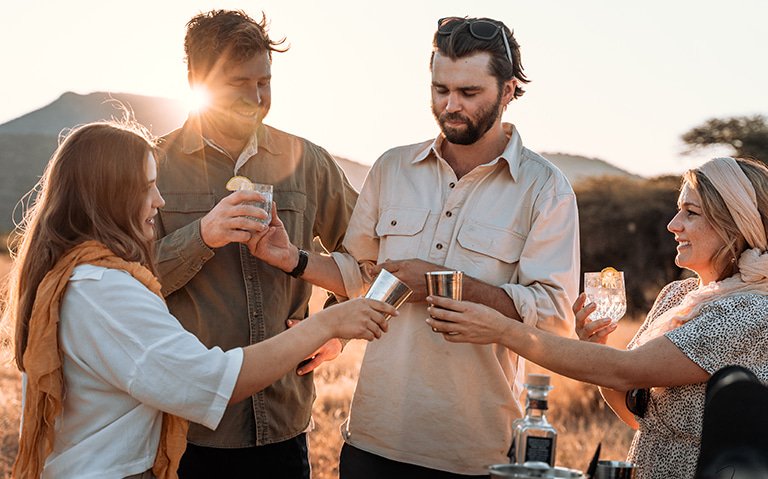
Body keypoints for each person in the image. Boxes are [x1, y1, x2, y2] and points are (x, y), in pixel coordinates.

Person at [249, 16, 580, 478]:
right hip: (373, 440)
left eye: (469, 93)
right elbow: (362, 275)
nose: (450, 105)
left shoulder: (545, 188)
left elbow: (554, 317)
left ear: (508, 91)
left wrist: (447, 285)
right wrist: (293, 259)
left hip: (475, 452)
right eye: (440, 89)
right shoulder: (391, 167)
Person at [3, 121, 392, 479]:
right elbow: (212, 382)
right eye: (147, 186)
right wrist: (326, 323)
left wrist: (302, 272)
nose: (159, 200)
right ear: (109, 194)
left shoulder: (80, 275)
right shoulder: (104, 290)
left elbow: (368, 249)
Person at [426, 157, 768, 479]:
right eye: (678, 210)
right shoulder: (677, 297)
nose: (672, 224)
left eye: (690, 212)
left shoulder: (751, 311)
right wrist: (597, 347)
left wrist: (502, 330)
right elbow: (638, 416)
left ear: (736, 225)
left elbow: (623, 368)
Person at [154, 10, 359, 478]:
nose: (255, 98)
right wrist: (201, 236)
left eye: (264, 81)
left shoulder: (308, 162)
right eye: (238, 83)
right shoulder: (152, 165)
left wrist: (336, 329)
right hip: (183, 430)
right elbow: (126, 282)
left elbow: (373, 257)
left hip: (284, 427)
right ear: (196, 80)